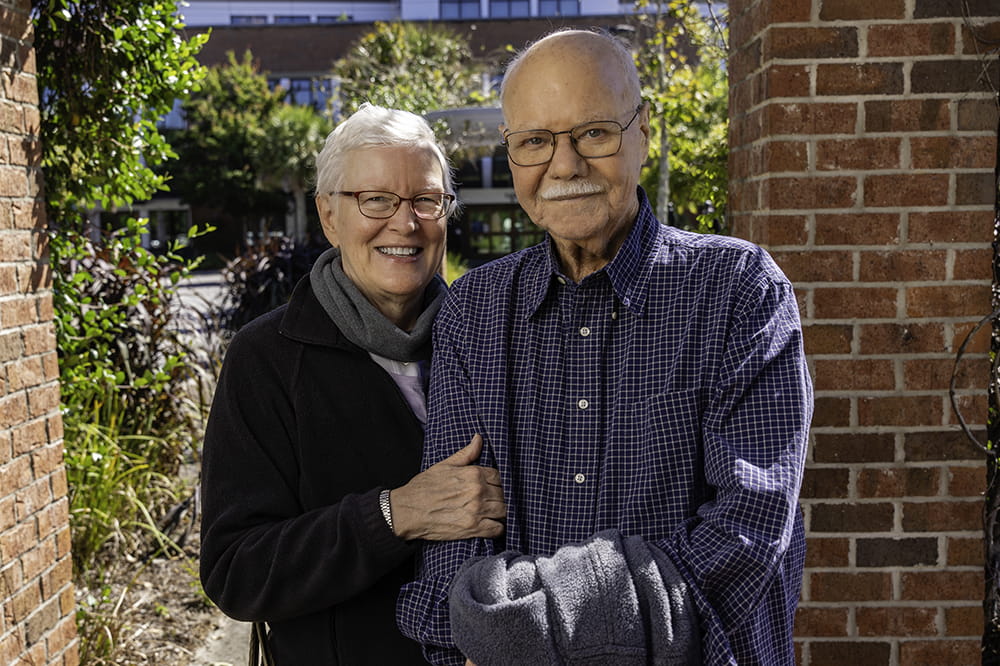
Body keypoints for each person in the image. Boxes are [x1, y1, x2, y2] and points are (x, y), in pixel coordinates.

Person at [397, 29, 813, 666]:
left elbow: (745, 532)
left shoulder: (738, 292)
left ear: (643, 131)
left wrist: (517, 633)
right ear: (511, 155)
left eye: (594, 132)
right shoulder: (474, 310)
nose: (563, 166)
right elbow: (458, 542)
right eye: (535, 141)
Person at [199, 103, 506, 665]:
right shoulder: (266, 358)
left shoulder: (495, 338)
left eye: (426, 200)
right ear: (329, 216)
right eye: (376, 200)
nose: (405, 222)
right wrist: (394, 516)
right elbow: (236, 569)